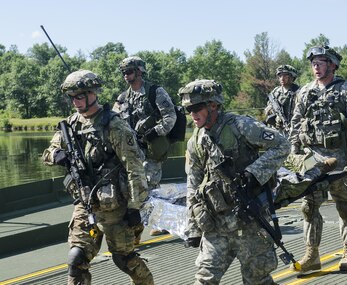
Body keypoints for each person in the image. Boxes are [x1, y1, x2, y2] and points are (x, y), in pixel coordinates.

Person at [42, 70, 154, 285]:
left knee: (124, 259)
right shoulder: (70, 125)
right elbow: (48, 153)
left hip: (116, 208)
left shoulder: (114, 125)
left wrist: (135, 207)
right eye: (72, 97)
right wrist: (57, 155)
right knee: (77, 259)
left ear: (93, 94)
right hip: (85, 203)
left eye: (80, 96)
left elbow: (134, 168)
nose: (75, 101)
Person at [179, 79, 290, 285]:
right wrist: (193, 227)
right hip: (216, 224)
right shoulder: (195, 141)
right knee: (204, 280)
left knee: (257, 279)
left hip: (249, 221)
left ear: (213, 105)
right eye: (188, 110)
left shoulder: (241, 126)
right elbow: (193, 184)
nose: (192, 114)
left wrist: (254, 173)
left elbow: (282, 145)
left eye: (197, 108)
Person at [289, 46, 347, 273]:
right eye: (313, 62)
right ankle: (312, 254)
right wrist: (293, 155)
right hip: (313, 159)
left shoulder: (346, 91)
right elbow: (295, 124)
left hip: (342, 160)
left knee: (344, 205)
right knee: (309, 206)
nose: (316, 66)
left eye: (321, 62)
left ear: (332, 64)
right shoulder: (304, 92)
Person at [114, 56, 176, 238]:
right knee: (132, 186)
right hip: (132, 150)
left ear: (139, 71)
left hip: (151, 146)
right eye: (124, 72)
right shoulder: (123, 97)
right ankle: (137, 223)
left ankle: (159, 223)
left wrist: (156, 132)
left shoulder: (155, 92)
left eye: (129, 71)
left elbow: (170, 117)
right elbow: (114, 120)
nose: (126, 75)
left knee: (151, 185)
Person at [264, 64, 300, 137]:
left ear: (292, 77)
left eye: (285, 76)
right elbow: (267, 109)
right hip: (276, 129)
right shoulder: (275, 92)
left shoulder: (299, 91)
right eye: (280, 76)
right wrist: (275, 114)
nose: (282, 78)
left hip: (293, 129)